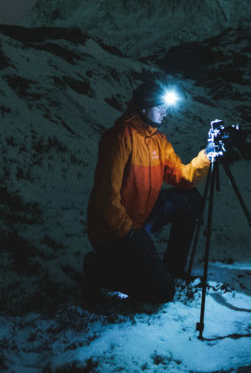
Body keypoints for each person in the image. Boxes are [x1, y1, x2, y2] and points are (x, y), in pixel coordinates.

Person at [84, 80, 210, 303]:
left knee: (189, 199)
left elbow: (181, 177)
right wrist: (129, 231)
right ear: (143, 106)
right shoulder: (120, 137)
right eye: (160, 106)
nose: (165, 112)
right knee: (161, 293)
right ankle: (99, 269)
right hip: (116, 230)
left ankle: (172, 269)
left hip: (142, 219)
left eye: (166, 107)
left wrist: (207, 156)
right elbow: (106, 197)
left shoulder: (158, 139)